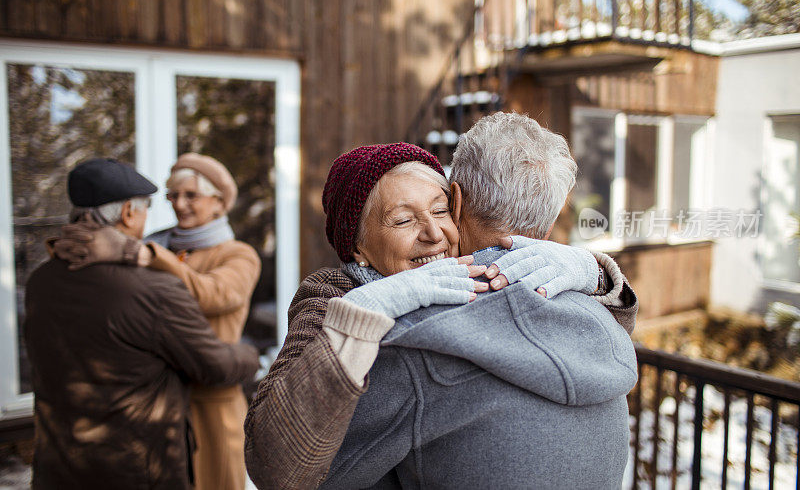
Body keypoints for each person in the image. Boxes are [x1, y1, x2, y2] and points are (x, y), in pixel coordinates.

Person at [244, 137, 637, 489]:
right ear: (358, 247)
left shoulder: (475, 282)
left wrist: (593, 272)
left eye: (440, 210)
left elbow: (595, 340)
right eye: (402, 219)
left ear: (458, 208)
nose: (433, 234)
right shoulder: (329, 296)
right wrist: (370, 307)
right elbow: (274, 462)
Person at [24, 158, 259, 490]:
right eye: (171, 196)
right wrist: (252, 355)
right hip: (150, 436)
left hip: (206, 412)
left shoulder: (42, 280)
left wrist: (145, 254)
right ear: (128, 214)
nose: (178, 204)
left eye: (190, 195)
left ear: (219, 202)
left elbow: (215, 294)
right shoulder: (144, 271)